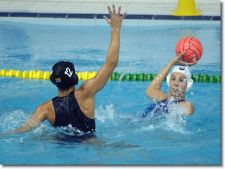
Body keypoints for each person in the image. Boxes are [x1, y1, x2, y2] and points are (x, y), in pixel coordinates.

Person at [8, 5, 126, 134]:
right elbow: (111, 63)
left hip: (60, 145)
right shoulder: (85, 93)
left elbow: (20, 131)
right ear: (74, 78)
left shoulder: (45, 109)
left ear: (54, 80)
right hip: (89, 143)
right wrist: (115, 29)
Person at [143, 52, 196, 118]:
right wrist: (171, 63)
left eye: (181, 80)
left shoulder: (187, 106)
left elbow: (189, 110)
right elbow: (150, 90)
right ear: (168, 81)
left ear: (188, 85)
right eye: (173, 79)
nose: (176, 83)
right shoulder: (161, 97)